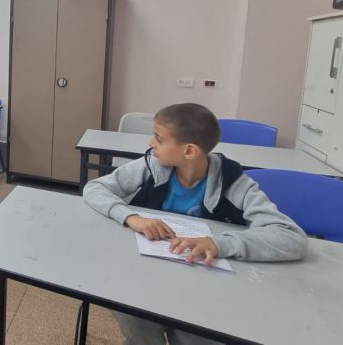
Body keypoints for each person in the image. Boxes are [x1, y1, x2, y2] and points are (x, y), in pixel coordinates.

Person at [83, 103, 307, 345]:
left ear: (189, 151)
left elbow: (291, 238)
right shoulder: (152, 165)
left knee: (193, 336)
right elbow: (95, 188)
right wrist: (131, 217)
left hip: (205, 287)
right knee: (137, 324)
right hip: (146, 276)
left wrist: (218, 244)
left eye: (159, 139)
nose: (150, 143)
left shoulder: (234, 183)